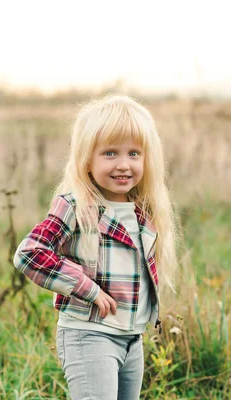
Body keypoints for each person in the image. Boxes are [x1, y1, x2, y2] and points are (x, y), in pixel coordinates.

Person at [13, 94, 179, 400]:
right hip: (88, 334)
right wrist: (87, 288)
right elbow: (30, 253)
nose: (123, 165)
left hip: (132, 339)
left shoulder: (144, 209)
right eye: (110, 153)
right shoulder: (76, 205)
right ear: (87, 159)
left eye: (133, 153)